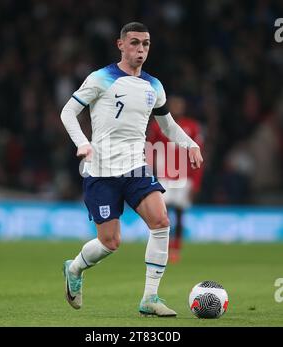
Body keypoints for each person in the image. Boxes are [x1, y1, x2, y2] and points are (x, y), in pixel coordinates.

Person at [60, 22, 203, 317]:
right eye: (135, 43)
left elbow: (168, 125)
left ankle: (150, 298)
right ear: (121, 45)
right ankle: (74, 268)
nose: (140, 49)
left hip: (136, 167)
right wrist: (83, 143)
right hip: (100, 171)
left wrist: (190, 144)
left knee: (162, 221)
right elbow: (68, 112)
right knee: (110, 242)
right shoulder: (101, 78)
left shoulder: (154, 86)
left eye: (146, 44)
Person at [147, 96, 204, 263]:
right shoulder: (158, 126)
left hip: (183, 177)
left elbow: (198, 152)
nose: (177, 107)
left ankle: (176, 248)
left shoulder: (192, 126)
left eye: (180, 104)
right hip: (163, 177)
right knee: (160, 214)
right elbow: (151, 150)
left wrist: (196, 182)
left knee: (179, 214)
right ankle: (161, 248)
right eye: (174, 104)